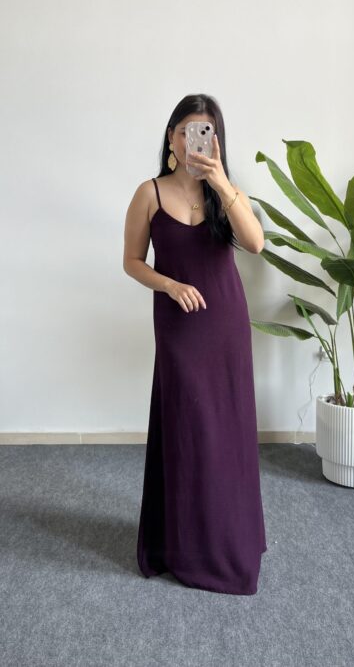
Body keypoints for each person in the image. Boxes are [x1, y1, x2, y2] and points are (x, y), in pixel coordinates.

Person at [123, 93, 267, 595]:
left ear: (216, 141)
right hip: (178, 327)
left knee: (225, 432)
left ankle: (229, 542)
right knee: (186, 430)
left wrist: (221, 181)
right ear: (171, 137)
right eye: (185, 130)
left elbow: (256, 243)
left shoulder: (226, 193)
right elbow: (132, 261)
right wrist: (169, 284)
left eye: (204, 132)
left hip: (225, 324)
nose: (192, 140)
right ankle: (181, 544)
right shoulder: (149, 193)